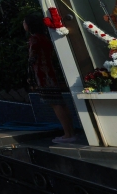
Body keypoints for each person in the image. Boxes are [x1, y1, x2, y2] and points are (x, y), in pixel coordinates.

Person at [24, 14, 77, 143]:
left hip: (42, 75)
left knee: (55, 104)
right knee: (60, 103)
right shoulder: (45, 37)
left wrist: (29, 76)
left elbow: (32, 58)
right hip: (51, 72)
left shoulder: (34, 39)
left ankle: (67, 134)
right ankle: (70, 132)